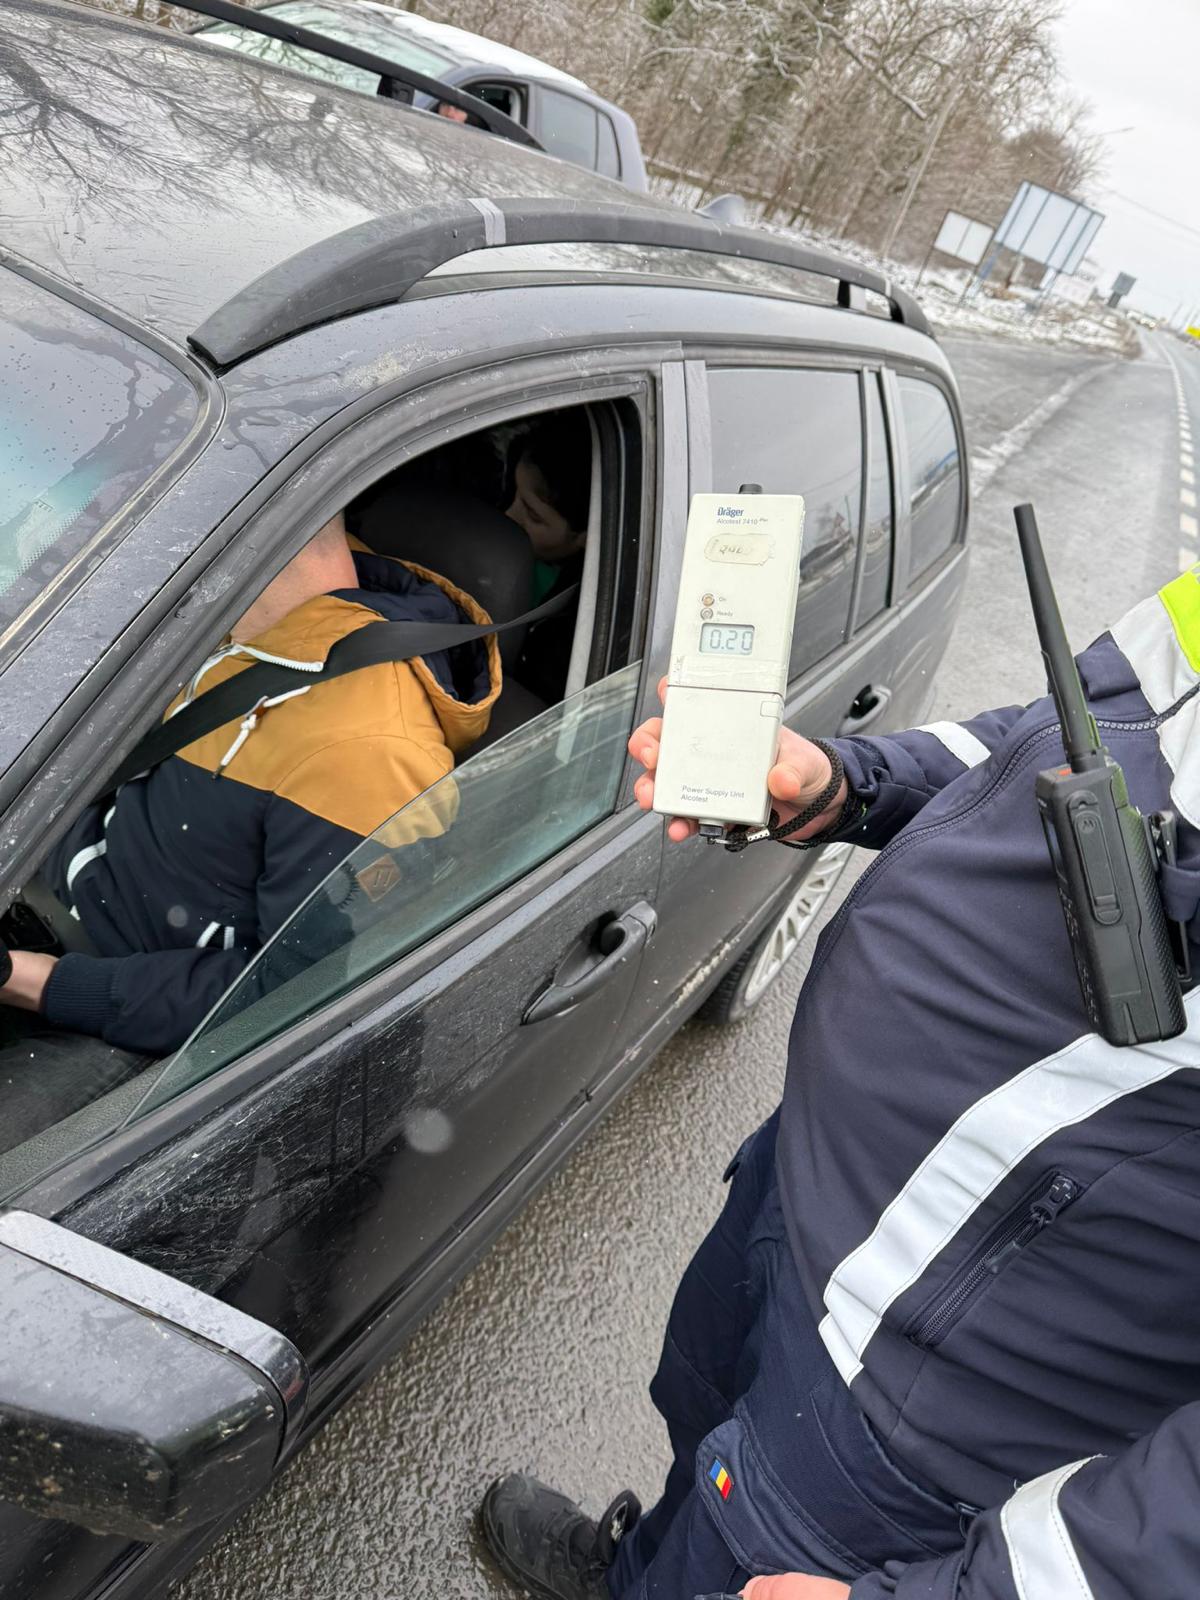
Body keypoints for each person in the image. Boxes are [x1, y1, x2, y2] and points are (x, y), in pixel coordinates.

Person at [481, 564, 1200, 1600]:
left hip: (928, 1407)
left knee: (750, 1538)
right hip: (812, 1195)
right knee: (709, 1457)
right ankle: (640, 1572)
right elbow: (1058, 732)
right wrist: (847, 781)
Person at [0, 511, 500, 1147]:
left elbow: (280, 999)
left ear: (258, 527)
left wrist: (29, 980)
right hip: (47, 886)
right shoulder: (237, 606)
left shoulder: (368, 753)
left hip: (130, 1009)